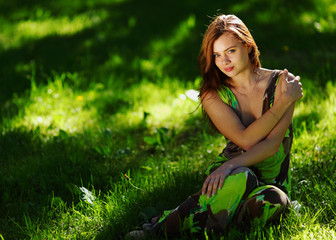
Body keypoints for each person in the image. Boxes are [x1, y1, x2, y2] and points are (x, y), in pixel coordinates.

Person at [126, 14, 303, 239]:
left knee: (274, 202)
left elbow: (271, 145)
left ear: (248, 47)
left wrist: (284, 98)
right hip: (232, 173)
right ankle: (160, 229)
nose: (224, 61)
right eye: (217, 55)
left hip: (270, 181)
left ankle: (205, 215)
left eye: (231, 51)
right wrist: (285, 102)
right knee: (243, 178)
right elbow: (245, 140)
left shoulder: (281, 84)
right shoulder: (213, 95)